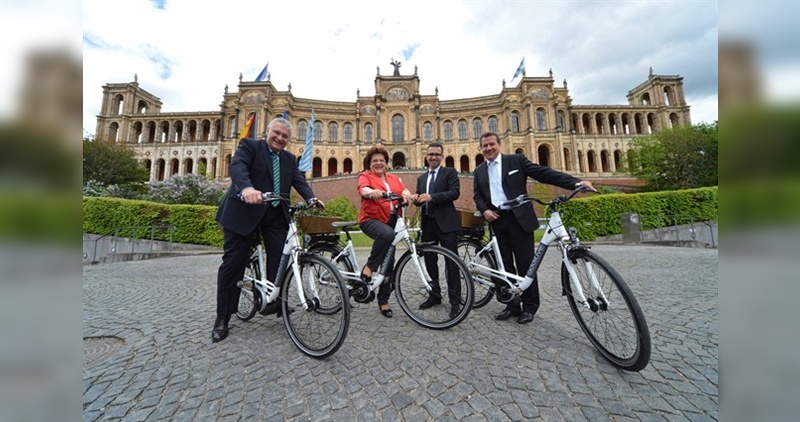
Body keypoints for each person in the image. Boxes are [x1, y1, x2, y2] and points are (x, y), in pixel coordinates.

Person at [212, 117, 324, 342]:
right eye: (277, 133)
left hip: (274, 214)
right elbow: (238, 167)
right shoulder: (250, 146)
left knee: (280, 261)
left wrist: (312, 197)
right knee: (233, 263)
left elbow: (298, 181)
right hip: (244, 211)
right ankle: (223, 316)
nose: (280, 138)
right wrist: (246, 189)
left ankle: (275, 303)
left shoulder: (289, 159)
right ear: (267, 131)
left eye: (285, 136)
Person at [473, 132, 594, 324]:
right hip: (497, 219)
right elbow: (478, 195)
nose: (488, 148)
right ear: (480, 148)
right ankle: (511, 305)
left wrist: (574, 182)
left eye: (491, 144)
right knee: (504, 266)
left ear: (499, 144)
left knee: (526, 265)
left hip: (519, 218)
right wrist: (485, 210)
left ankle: (529, 307)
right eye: (485, 146)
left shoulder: (516, 161)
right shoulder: (479, 170)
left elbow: (543, 173)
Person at [357, 146, 414, 318]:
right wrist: (371, 192)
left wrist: (407, 195)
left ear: (386, 163)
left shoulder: (394, 178)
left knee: (389, 264)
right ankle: (368, 268)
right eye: (375, 161)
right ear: (370, 163)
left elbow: (403, 190)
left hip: (391, 220)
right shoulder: (365, 176)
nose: (379, 163)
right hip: (371, 220)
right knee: (387, 234)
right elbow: (363, 188)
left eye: (382, 160)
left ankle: (383, 301)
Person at [414, 142, 462, 319]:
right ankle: (434, 296)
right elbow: (420, 198)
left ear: (442, 156)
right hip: (428, 224)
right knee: (430, 262)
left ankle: (456, 302)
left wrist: (432, 197)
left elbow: (454, 193)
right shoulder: (422, 178)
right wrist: (416, 199)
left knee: (452, 263)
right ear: (426, 156)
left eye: (436, 154)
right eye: (430, 154)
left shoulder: (449, 173)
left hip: (447, 224)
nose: (433, 157)